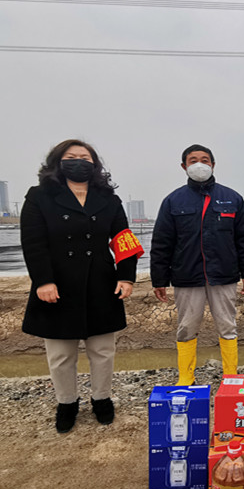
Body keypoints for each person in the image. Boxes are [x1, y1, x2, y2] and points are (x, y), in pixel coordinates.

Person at [21, 139, 141, 433]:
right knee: (61, 353)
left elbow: (124, 239)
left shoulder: (108, 199)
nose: (78, 161)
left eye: (84, 157)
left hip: (101, 281)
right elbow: (33, 243)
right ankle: (67, 403)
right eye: (71, 156)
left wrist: (126, 277)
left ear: (94, 164)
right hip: (58, 283)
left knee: (103, 350)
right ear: (58, 162)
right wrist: (43, 281)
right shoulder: (40, 196)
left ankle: (102, 399)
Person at [150, 144, 244, 385]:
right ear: (184, 166)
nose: (200, 164)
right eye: (193, 160)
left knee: (228, 326)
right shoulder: (173, 201)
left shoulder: (232, 198)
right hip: (187, 276)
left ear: (213, 164)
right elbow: (162, 242)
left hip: (224, 275)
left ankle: (231, 376)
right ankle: (186, 377)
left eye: (205, 160)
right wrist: (159, 279)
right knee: (186, 327)